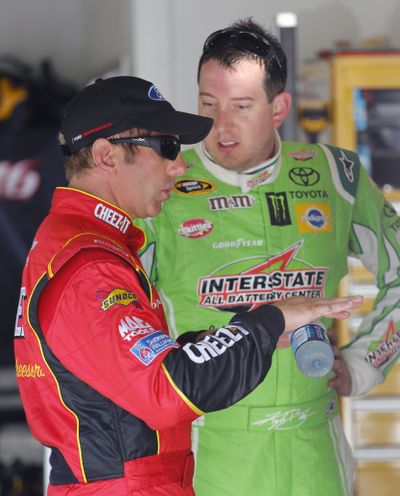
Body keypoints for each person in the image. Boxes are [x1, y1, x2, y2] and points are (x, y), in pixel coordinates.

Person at [13, 76, 362, 496]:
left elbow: (130, 373)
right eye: (166, 147)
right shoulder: (89, 264)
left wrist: (252, 332)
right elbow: (165, 391)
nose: (179, 166)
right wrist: (269, 321)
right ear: (106, 155)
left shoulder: (84, 243)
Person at [135, 18, 400, 496]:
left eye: (240, 107)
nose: (220, 126)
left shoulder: (334, 176)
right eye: (207, 104)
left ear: (279, 107)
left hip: (314, 448)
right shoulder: (164, 186)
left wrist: (364, 363)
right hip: (208, 449)